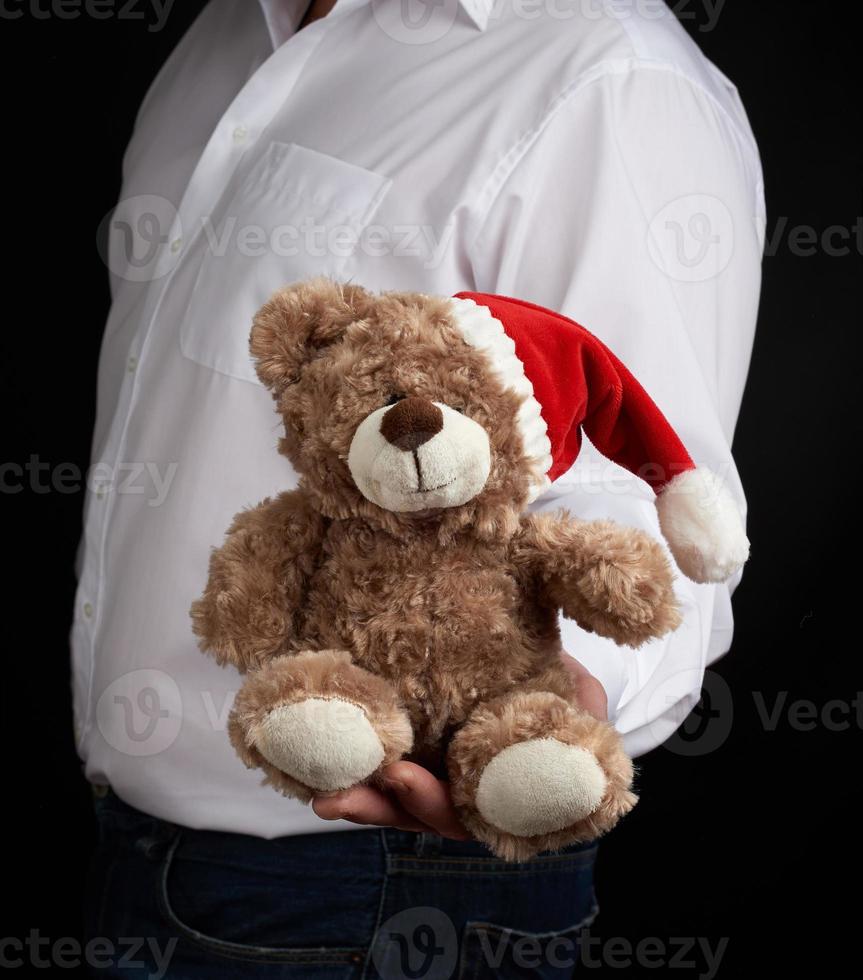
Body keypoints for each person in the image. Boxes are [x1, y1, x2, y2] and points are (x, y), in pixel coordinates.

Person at [79, 0, 763, 975]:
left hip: (382, 877)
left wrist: (558, 701)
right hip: (142, 846)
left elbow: (649, 486)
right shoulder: (221, 38)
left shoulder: (605, 75)